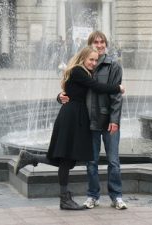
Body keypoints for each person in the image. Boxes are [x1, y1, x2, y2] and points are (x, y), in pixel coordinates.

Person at [14, 46, 125, 210]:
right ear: (83, 58)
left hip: (75, 115)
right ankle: (64, 198)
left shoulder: (80, 71)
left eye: (96, 60)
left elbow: (69, 91)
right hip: (72, 116)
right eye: (91, 59)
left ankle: (31, 158)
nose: (94, 63)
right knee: (66, 160)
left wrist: (60, 96)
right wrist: (118, 88)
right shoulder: (78, 71)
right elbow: (97, 87)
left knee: (68, 160)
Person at [58, 31, 127, 210]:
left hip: (108, 119)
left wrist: (115, 120)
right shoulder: (84, 67)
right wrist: (60, 96)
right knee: (91, 161)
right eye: (95, 42)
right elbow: (72, 89)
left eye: (102, 41)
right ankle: (93, 195)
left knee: (113, 161)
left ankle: (116, 196)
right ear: (90, 45)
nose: (99, 45)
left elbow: (116, 98)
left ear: (106, 44)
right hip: (89, 120)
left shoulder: (113, 65)